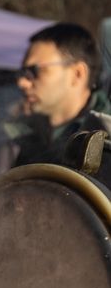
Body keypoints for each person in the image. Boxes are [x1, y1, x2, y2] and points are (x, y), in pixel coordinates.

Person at [7, 22, 111, 181]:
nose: (22, 82)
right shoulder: (23, 136)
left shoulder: (106, 140)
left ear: (77, 74)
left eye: (34, 71)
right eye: (22, 72)